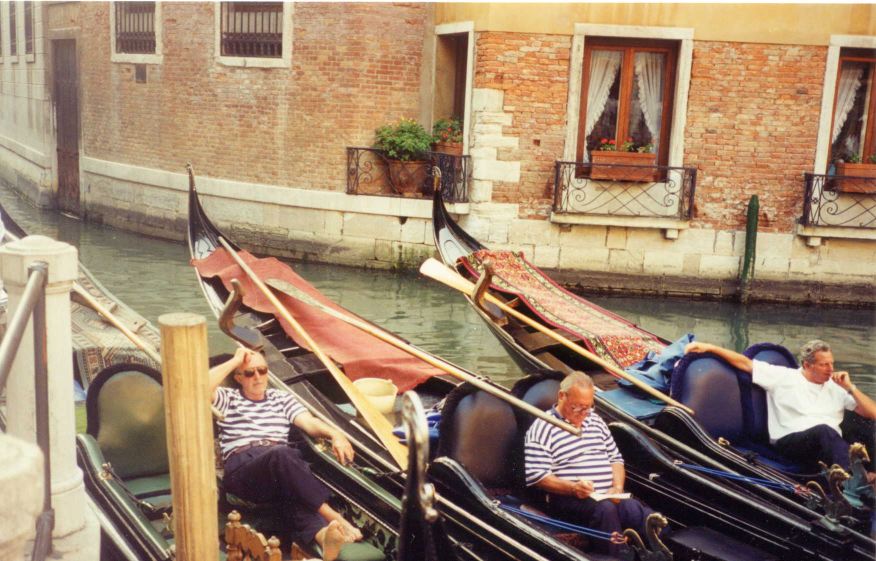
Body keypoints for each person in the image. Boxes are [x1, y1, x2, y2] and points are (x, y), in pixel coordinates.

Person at [209, 348, 363, 561]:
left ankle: (324, 538)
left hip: (277, 468)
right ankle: (335, 517)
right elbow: (199, 388)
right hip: (242, 470)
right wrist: (235, 359)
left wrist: (335, 433)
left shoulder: (281, 398)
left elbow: (310, 423)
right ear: (238, 377)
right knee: (282, 454)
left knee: (292, 489)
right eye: (249, 372)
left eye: (262, 370)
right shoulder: (228, 397)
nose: (257, 377)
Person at [683, 339, 876, 473]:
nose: (831, 369)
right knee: (824, 431)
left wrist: (851, 387)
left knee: (867, 425)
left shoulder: (836, 386)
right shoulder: (783, 377)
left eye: (832, 364)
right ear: (808, 365)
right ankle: (856, 481)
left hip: (828, 446)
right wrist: (709, 347)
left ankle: (870, 473)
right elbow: (746, 364)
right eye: (824, 365)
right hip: (790, 442)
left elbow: (872, 413)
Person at [524, 372, 661, 555]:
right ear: (562, 396)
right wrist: (574, 488)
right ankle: (617, 557)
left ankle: (668, 550)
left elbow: (616, 459)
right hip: (569, 499)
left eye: (587, 407)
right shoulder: (542, 427)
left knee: (632, 507)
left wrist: (617, 488)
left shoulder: (595, 421)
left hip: (608, 496)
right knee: (605, 509)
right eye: (577, 407)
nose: (583, 413)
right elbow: (538, 477)